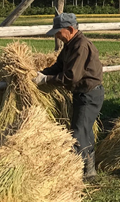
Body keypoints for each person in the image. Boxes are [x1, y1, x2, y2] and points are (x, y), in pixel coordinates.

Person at [36, 13, 104, 180]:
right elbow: (58, 66)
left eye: (59, 32)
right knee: (85, 132)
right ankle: (89, 171)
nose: (57, 36)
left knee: (79, 133)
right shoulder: (70, 45)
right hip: (83, 94)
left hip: (89, 95)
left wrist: (46, 80)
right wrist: (39, 74)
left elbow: (71, 77)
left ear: (70, 29)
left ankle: (78, 173)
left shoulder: (80, 46)